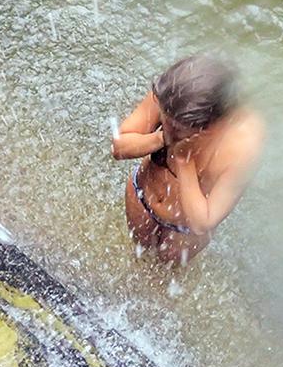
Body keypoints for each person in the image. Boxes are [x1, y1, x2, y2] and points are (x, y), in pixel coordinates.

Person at [111, 55, 265, 265]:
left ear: (212, 127)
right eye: (164, 116)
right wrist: (162, 138)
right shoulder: (174, 94)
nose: (165, 122)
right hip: (143, 198)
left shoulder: (244, 144)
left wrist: (184, 161)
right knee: (137, 258)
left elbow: (205, 221)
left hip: (185, 230)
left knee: (166, 277)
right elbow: (119, 147)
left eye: (176, 126)